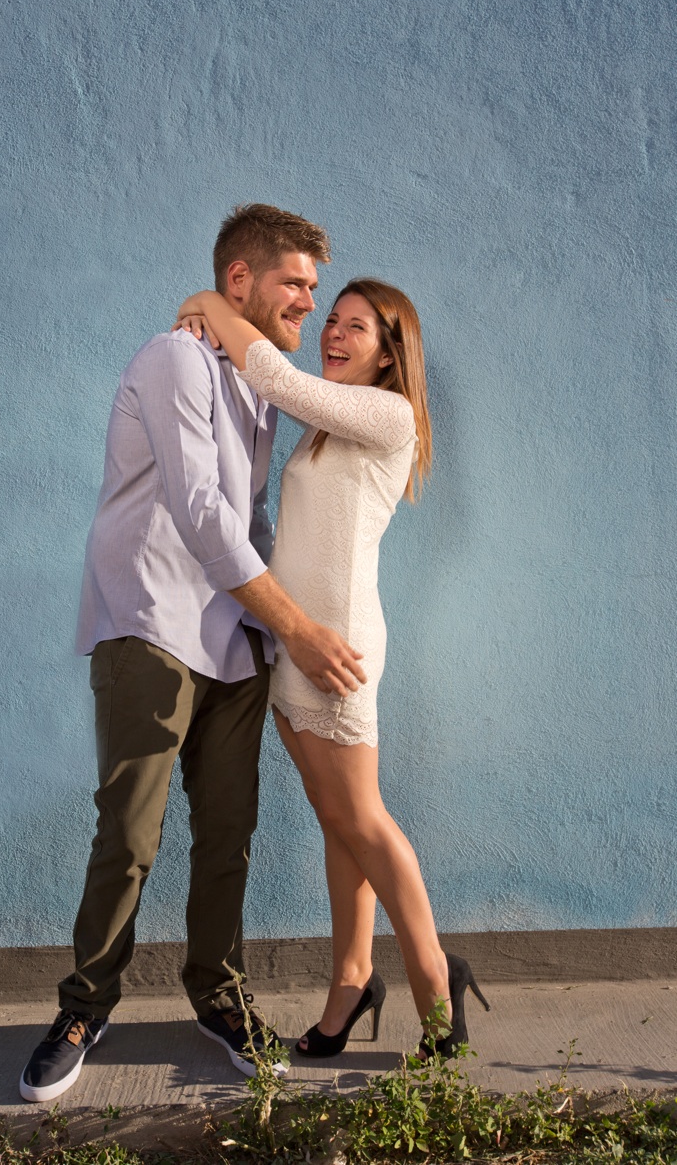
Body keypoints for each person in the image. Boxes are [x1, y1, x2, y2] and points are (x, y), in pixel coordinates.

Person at [18, 204, 367, 1103]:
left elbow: (246, 519)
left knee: (229, 836)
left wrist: (265, 630)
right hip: (150, 627)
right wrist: (297, 626)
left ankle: (218, 999)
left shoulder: (259, 380)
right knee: (129, 834)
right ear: (240, 280)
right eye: (294, 283)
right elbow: (204, 514)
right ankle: (83, 1007)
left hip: (232, 644)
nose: (308, 302)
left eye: (315, 289)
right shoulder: (172, 358)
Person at [175, 278, 490, 1059]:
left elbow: (273, 377)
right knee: (340, 821)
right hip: (298, 642)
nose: (335, 334)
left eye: (356, 328)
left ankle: (434, 978)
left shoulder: (387, 415)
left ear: (391, 355)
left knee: (363, 820)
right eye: (334, 323)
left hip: (336, 647)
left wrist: (211, 304)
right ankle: (350, 981)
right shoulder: (325, 428)